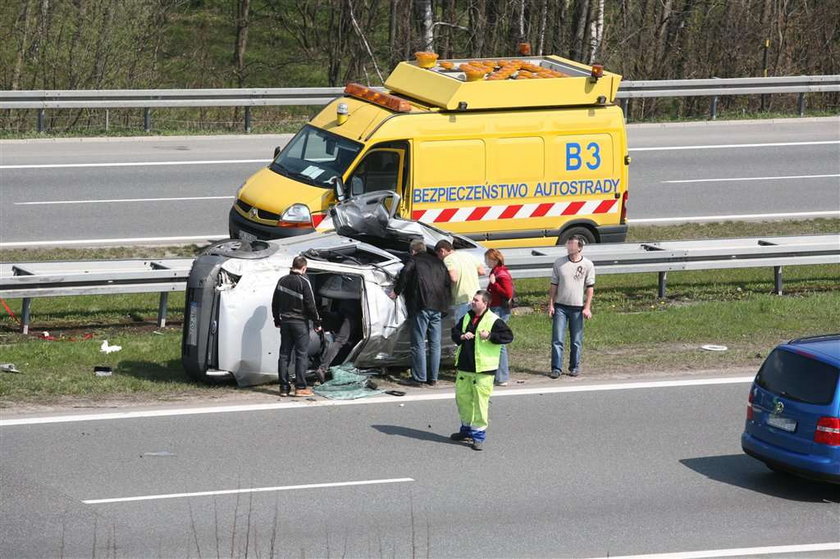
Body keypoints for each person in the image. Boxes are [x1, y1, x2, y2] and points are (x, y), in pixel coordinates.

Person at [450, 290, 513, 451]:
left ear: (485, 303)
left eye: (476, 300)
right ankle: (466, 430)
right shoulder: (467, 316)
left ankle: (478, 436)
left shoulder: (494, 320)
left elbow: (508, 336)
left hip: (483, 370)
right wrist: (462, 336)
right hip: (465, 367)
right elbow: (455, 332)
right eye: (473, 299)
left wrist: (490, 336)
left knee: (480, 404)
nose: (473, 302)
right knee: (462, 400)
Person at [391, 239, 451, 386]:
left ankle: (419, 378)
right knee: (435, 343)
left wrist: (396, 291)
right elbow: (447, 283)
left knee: (418, 342)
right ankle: (433, 378)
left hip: (421, 305)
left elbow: (405, 272)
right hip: (438, 307)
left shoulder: (414, 260)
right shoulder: (439, 262)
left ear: (413, 251)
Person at [271, 255, 321, 397]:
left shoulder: (282, 280)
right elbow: (311, 305)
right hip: (300, 323)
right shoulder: (304, 282)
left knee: (284, 354)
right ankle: (300, 387)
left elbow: (275, 302)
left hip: (285, 322)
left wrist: (277, 320)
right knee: (301, 355)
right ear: (304, 268)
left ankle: (284, 388)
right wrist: (317, 322)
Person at [548, 235, 595, 378]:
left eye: (572, 244)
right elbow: (553, 286)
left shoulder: (588, 264)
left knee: (576, 340)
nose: (569, 246)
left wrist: (587, 307)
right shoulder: (559, 263)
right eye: (568, 244)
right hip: (561, 306)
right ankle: (556, 368)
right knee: (557, 339)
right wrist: (551, 304)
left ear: (579, 247)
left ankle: (574, 366)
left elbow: (590, 288)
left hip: (577, 307)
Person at [434, 240, 486, 322]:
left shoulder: (448, 259)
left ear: (442, 251)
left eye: (438, 254)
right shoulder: (468, 255)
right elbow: (482, 271)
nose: (438, 257)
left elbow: (454, 278)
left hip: (462, 299)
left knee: (462, 328)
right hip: (477, 297)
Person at [484, 248, 514, 386]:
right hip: (495, 308)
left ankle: (502, 376)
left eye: (487, 259)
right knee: (496, 342)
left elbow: (508, 293)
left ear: (494, 260)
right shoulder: (496, 271)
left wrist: (494, 283)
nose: (486, 262)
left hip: (500, 310)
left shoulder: (501, 274)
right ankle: (498, 374)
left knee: (499, 343)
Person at [316, 299, 362, 380]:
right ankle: (323, 368)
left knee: (345, 341)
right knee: (340, 341)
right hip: (352, 310)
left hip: (345, 307)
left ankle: (335, 365)